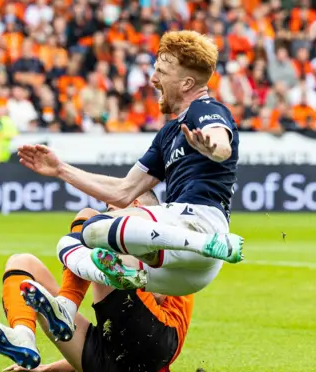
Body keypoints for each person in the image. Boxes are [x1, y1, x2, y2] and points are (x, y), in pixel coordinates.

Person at [17, 30, 244, 309]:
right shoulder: (167, 134)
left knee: (97, 227)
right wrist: (61, 169)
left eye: (161, 71)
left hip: (201, 222)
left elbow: (220, 140)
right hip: (183, 273)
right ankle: (77, 304)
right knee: (72, 245)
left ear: (186, 83)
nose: (153, 79)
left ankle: (206, 242)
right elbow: (123, 192)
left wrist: (215, 148)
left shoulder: (204, 108)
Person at [0, 191, 193, 372]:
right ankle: (24, 336)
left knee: (90, 219)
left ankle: (66, 307)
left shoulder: (166, 237)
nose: (108, 213)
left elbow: (158, 295)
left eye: (112, 209)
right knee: (21, 262)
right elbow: (120, 339)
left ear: (135, 205)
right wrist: (50, 367)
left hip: (157, 344)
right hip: (109, 365)